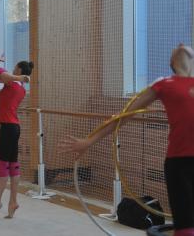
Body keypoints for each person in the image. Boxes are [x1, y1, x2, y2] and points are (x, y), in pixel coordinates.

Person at [60, 44, 194, 236]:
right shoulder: (163, 83)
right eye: (177, 48)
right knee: (186, 225)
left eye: (187, 46)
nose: (181, 45)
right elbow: (123, 116)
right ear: (172, 62)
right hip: (179, 163)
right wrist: (89, 141)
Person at [0, 57, 34, 220]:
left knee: (3, 165)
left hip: (8, 128)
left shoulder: (10, 82)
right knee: (13, 165)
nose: (12, 69)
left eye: (15, 67)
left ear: (19, 70)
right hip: (14, 128)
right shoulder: (18, 87)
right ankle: (13, 201)